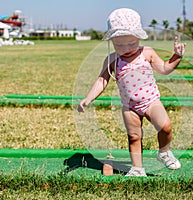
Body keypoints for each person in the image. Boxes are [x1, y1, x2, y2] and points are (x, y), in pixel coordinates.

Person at [77, 8, 186, 176]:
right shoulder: (112, 60)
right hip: (129, 107)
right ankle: (137, 168)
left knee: (165, 127)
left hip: (151, 101)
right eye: (119, 44)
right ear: (112, 41)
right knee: (134, 136)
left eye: (131, 43)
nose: (126, 48)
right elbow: (102, 80)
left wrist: (176, 57)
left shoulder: (147, 53)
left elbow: (164, 68)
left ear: (139, 38)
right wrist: (88, 98)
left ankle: (164, 152)